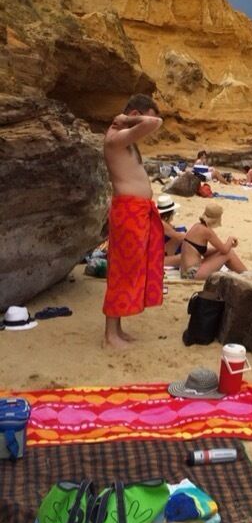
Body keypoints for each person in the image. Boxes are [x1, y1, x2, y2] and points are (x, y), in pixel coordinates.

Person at [101, 95, 164, 349]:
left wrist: (129, 120)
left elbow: (152, 121)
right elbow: (155, 122)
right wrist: (127, 118)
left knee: (130, 269)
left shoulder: (126, 137)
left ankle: (117, 330)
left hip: (137, 211)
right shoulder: (115, 137)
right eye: (142, 116)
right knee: (121, 271)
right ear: (136, 113)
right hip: (128, 211)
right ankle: (110, 336)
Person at [181, 203, 247, 277]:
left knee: (222, 251)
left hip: (185, 270)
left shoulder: (196, 226)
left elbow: (204, 253)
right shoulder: (207, 231)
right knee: (229, 253)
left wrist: (226, 246)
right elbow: (225, 250)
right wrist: (230, 239)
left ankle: (246, 274)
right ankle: (247, 275)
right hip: (192, 273)